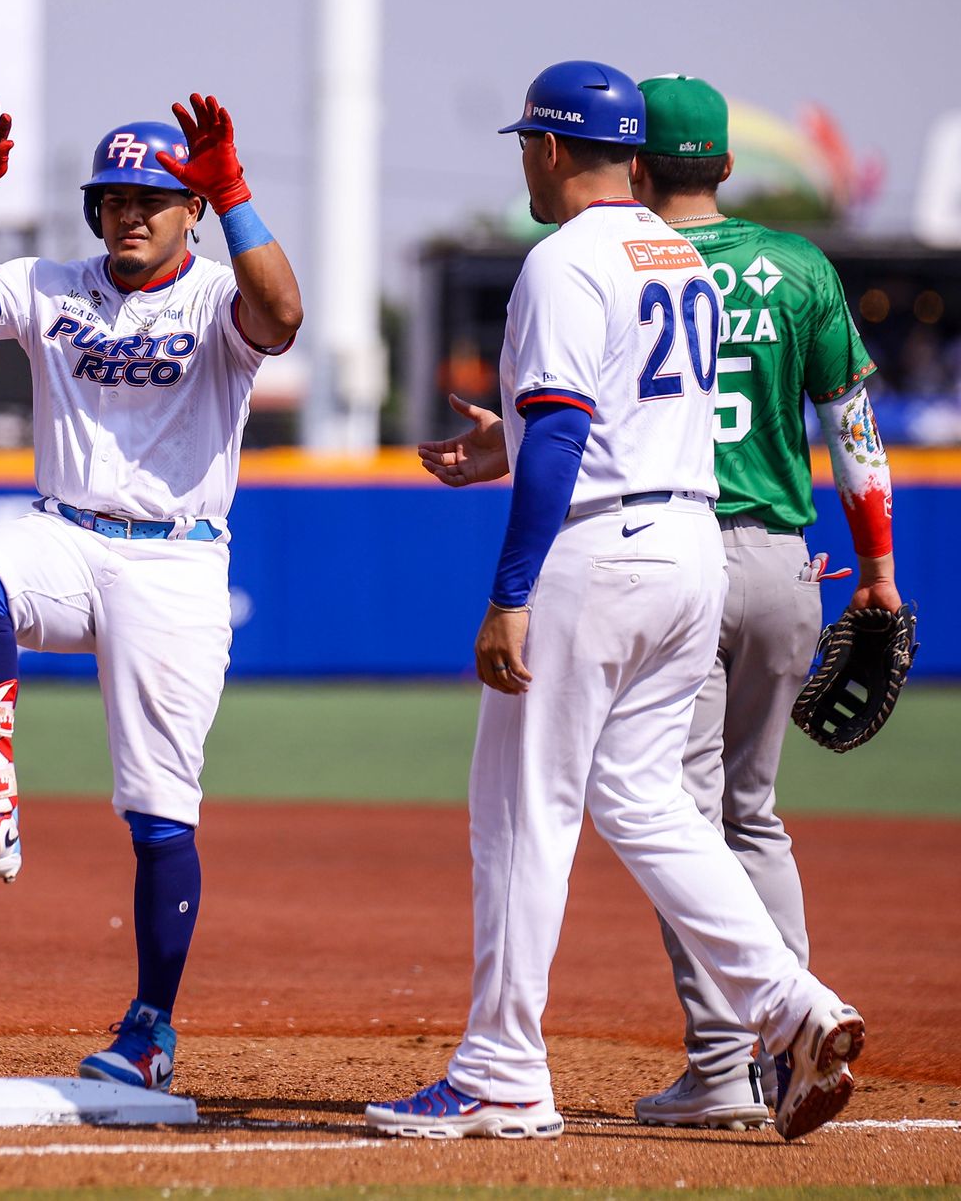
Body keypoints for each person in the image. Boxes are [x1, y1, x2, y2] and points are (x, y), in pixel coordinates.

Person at [366, 60, 864, 1142]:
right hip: (690, 544)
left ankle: (501, 1070)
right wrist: (505, 438)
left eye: (524, 146)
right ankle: (793, 1004)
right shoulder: (676, 256)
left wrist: (509, 592)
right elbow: (608, 406)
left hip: (597, 552)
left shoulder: (560, 260)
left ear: (547, 149)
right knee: (645, 803)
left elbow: (559, 435)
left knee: (519, 809)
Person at [0, 95, 301, 1092]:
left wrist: (234, 186)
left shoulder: (216, 297)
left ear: (190, 208)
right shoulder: (52, 287)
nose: (131, 215)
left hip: (175, 559)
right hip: (67, 535)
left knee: (161, 809)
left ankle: (150, 1028)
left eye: (155, 200)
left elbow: (283, 316)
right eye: (113, 199)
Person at [625, 74, 899, 1130]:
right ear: (727, 166)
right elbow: (855, 436)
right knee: (752, 814)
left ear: (634, 165)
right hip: (787, 564)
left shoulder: (628, 262)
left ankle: (720, 1070)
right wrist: (875, 569)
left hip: (676, 556)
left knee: (682, 823)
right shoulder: (798, 265)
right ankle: (794, 1038)